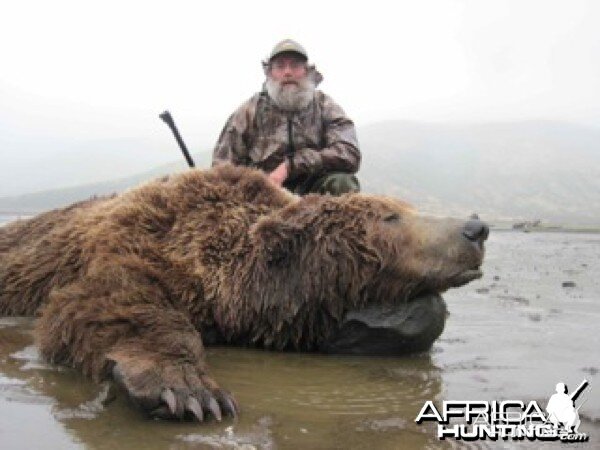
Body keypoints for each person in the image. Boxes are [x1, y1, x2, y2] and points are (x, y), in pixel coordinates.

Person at [212, 39, 361, 195]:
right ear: (269, 73)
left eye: (295, 65)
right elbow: (221, 168)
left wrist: (291, 166)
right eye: (280, 66)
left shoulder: (325, 106)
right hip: (263, 196)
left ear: (307, 71)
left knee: (342, 183)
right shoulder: (248, 112)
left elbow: (349, 153)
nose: (287, 72)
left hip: (315, 197)